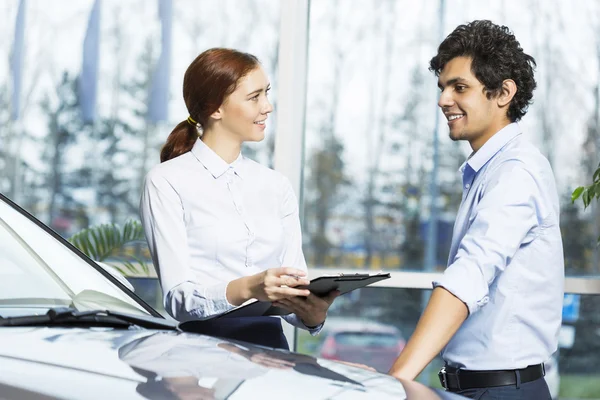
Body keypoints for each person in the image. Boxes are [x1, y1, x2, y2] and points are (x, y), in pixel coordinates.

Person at [388, 20, 564, 400]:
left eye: (459, 87)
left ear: (503, 93)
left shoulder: (516, 171)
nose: (443, 100)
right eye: (443, 87)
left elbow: (469, 274)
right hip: (481, 389)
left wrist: (394, 380)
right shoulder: (490, 171)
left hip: (503, 391)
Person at [139, 48, 339, 349]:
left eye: (267, 93)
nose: (268, 107)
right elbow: (179, 299)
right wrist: (250, 287)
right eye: (254, 96)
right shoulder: (167, 181)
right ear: (215, 107)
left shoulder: (276, 186)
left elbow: (293, 289)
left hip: (271, 354)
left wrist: (313, 314)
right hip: (199, 355)